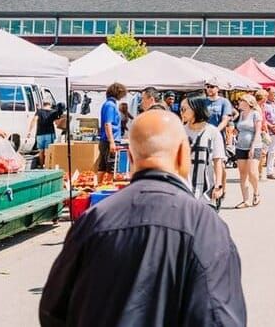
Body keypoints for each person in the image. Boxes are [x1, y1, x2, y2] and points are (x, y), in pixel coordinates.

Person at [39, 109, 246, 326]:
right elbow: (221, 317)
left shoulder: (94, 219)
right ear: (183, 154)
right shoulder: (205, 226)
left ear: (129, 156)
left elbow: (52, 309)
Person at [180, 96, 226, 208]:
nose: (182, 113)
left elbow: (218, 161)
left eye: (184, 109)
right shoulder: (179, 131)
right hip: (183, 188)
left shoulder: (212, 132)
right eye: (181, 109)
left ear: (196, 109)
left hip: (206, 189)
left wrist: (219, 185)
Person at [234, 94, 264, 208]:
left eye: (241, 100)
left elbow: (257, 131)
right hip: (241, 146)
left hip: (254, 146)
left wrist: (253, 146)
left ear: (248, 103)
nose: (239, 102)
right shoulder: (241, 114)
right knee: (242, 174)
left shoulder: (255, 114)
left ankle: (256, 192)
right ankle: (245, 200)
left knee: (252, 172)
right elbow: (239, 128)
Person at [98, 83, 127, 173]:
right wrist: (112, 142)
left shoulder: (108, 104)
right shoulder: (110, 105)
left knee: (103, 169)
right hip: (109, 141)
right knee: (112, 170)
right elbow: (108, 124)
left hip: (106, 141)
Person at [28, 101, 65, 168]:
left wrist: (29, 131)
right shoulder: (53, 112)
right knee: (48, 150)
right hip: (49, 133)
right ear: (50, 105)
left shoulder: (39, 111)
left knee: (41, 151)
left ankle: (42, 166)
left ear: (43, 104)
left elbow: (34, 120)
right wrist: (63, 121)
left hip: (40, 134)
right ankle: (47, 165)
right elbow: (57, 122)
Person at [257, 89, 275, 180]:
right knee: (263, 152)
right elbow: (263, 119)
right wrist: (270, 126)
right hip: (266, 131)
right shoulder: (263, 105)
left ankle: (270, 172)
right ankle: (259, 172)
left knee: (272, 151)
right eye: (273, 93)